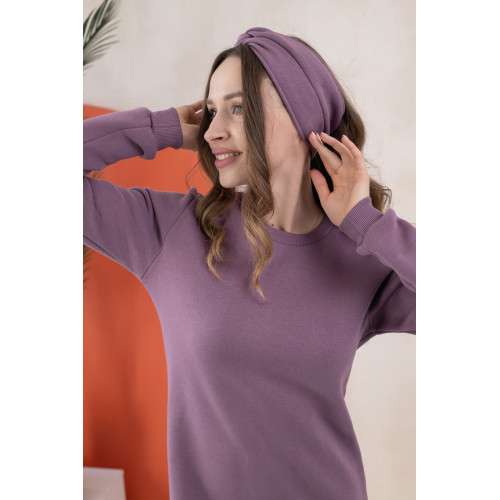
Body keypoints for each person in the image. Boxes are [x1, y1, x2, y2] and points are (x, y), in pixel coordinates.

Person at [84, 27, 415, 500]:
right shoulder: (173, 232)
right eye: (211, 110)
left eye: (238, 109)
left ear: (305, 117)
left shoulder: (361, 256)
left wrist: (368, 224)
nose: (212, 130)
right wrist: (163, 128)